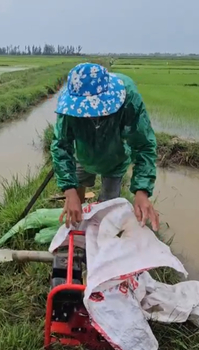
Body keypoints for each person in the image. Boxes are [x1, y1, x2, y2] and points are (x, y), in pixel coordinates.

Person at [50, 62, 159, 231]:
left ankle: (103, 234)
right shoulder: (70, 103)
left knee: (109, 207)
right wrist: (69, 191)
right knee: (75, 198)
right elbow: (61, 146)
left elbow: (143, 145)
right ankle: (78, 229)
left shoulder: (128, 97)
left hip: (115, 154)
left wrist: (142, 191)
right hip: (83, 151)